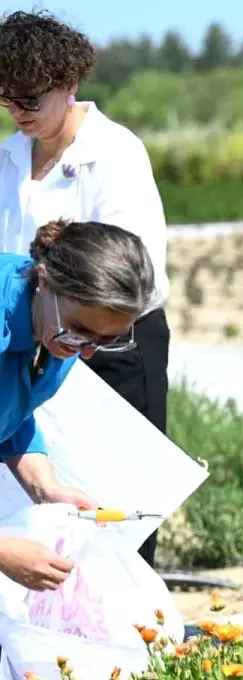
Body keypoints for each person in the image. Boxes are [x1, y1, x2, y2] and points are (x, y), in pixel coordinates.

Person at [0, 12, 170, 567]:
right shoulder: (7, 157)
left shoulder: (115, 153)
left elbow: (126, 271)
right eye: (5, 99)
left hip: (111, 328)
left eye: (28, 99)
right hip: (26, 326)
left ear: (69, 84)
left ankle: (124, 609)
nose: (17, 113)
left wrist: (81, 336)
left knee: (115, 492)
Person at [0, 219, 155, 591]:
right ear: (46, 282)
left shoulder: (59, 326)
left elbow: (12, 408)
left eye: (108, 339)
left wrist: (46, 486)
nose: (86, 351)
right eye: (80, 332)